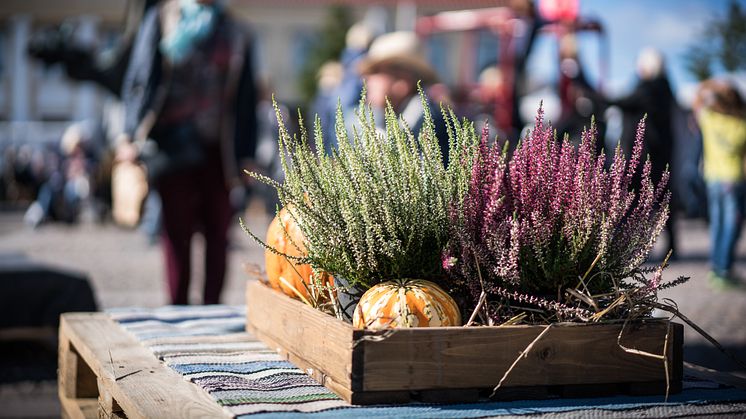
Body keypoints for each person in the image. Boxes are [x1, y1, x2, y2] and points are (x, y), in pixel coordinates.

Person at [118, 0, 258, 304]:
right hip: (172, 146)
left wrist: (247, 154)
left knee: (218, 232)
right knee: (176, 231)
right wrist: (129, 133)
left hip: (219, 150)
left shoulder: (234, 28)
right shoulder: (163, 18)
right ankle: (178, 305)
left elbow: (247, 97)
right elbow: (140, 77)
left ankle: (212, 307)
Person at [612, 48, 678, 258]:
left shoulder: (650, 88)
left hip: (647, 156)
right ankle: (668, 247)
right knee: (661, 201)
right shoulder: (665, 88)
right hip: (659, 154)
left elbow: (624, 102)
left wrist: (588, 89)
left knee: (640, 203)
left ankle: (635, 248)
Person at [358, 31, 450, 163]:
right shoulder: (404, 118)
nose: (366, 79)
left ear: (402, 82)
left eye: (376, 71)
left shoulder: (429, 125)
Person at [693, 79, 746, 289]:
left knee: (717, 225)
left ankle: (716, 268)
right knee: (731, 226)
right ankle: (724, 270)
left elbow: (697, 101)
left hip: (712, 178)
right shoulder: (741, 125)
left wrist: (712, 84)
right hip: (733, 178)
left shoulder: (708, 118)